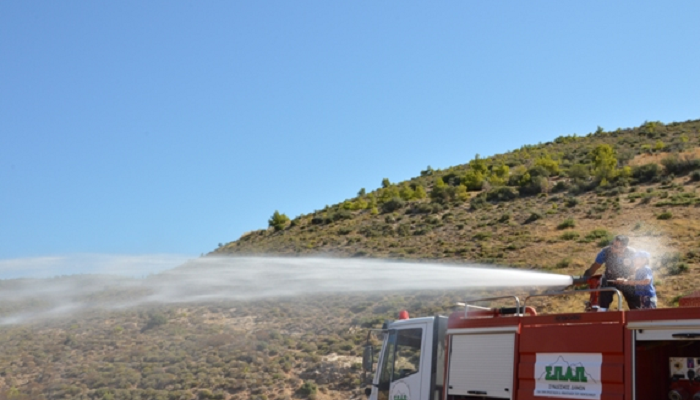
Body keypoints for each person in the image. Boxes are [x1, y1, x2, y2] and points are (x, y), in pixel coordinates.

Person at [583, 235, 640, 310]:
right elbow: (595, 266)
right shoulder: (605, 252)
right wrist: (585, 278)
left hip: (626, 279)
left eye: (616, 246)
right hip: (609, 279)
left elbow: (636, 272)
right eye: (612, 244)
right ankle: (602, 314)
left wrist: (626, 280)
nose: (612, 247)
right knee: (603, 299)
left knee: (635, 301)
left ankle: (637, 316)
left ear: (624, 247)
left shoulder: (632, 254)